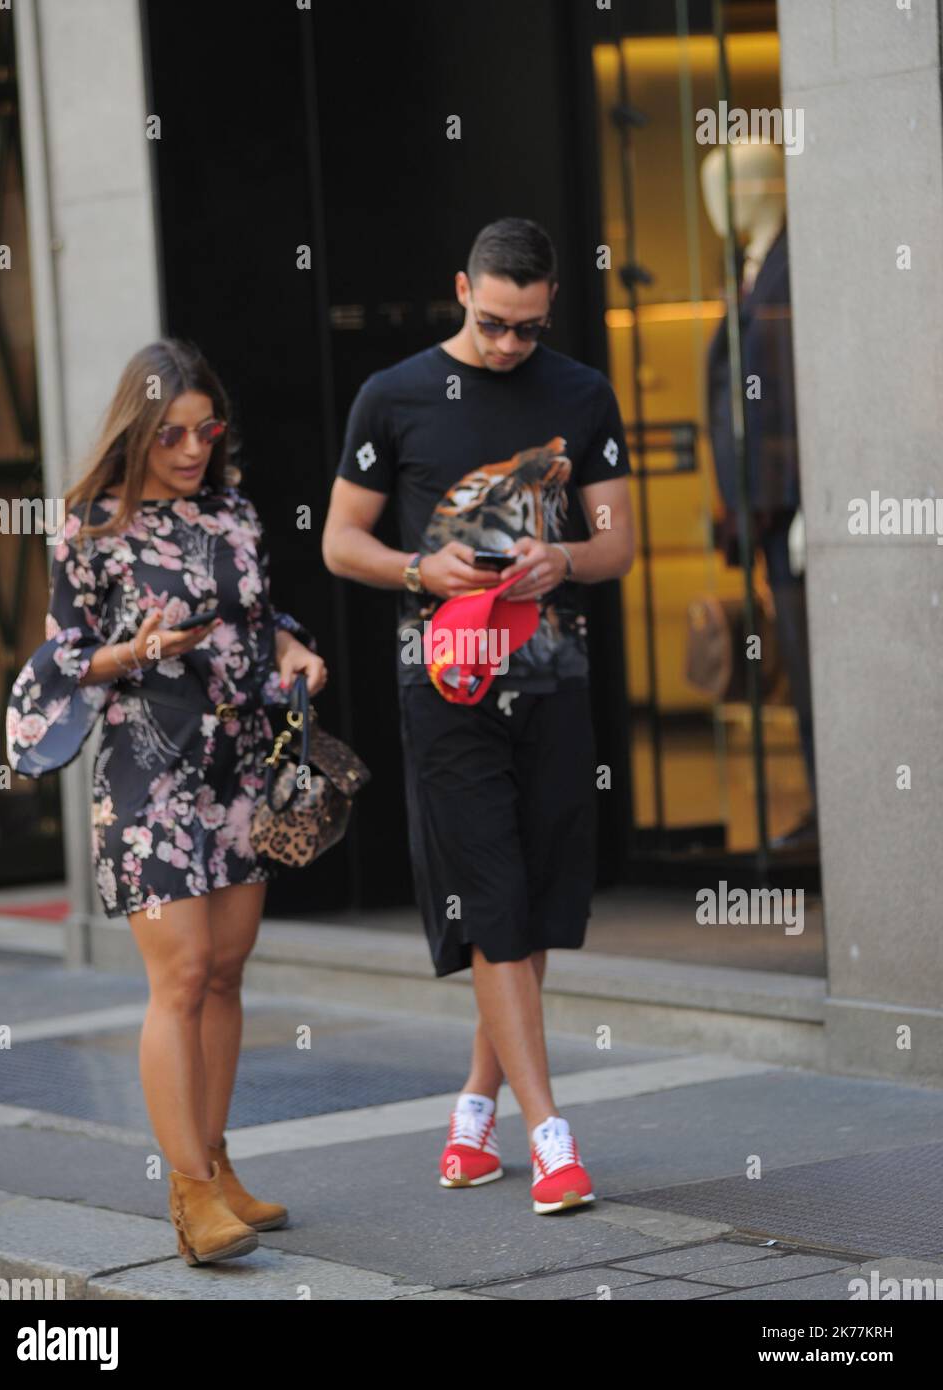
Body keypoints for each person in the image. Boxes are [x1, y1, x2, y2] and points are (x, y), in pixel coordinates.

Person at [322, 218, 635, 1214]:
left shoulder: (581, 392)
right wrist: (420, 567)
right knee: (491, 895)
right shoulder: (395, 394)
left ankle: (471, 1113)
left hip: (551, 677)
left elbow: (620, 541)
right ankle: (551, 1135)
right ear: (461, 287)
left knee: (534, 898)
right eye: (493, 324)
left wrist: (566, 560)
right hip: (445, 684)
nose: (508, 346)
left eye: (528, 330)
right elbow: (338, 540)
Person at [5, 339, 327, 1265]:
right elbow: (65, 657)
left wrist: (292, 656)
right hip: (148, 771)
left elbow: (260, 623)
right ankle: (187, 1198)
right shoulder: (90, 526)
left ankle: (219, 1168)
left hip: (237, 763)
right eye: (172, 435)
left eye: (206, 431)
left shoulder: (232, 513)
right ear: (137, 432)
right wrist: (134, 652)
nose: (191, 451)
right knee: (180, 974)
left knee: (227, 971)